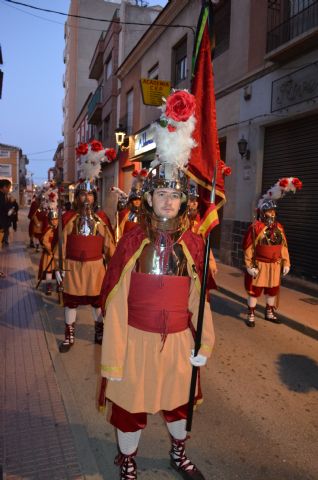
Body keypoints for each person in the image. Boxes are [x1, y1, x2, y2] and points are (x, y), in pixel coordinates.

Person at [100, 90, 215, 480]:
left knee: (179, 403)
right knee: (130, 405)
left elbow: (200, 299)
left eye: (175, 196)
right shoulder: (132, 241)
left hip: (180, 342)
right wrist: (113, 353)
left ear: (184, 202)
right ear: (149, 198)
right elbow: (114, 301)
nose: (168, 201)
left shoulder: (195, 242)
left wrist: (205, 342)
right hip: (134, 339)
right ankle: (128, 460)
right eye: (162, 194)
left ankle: (178, 453)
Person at [56, 174, 116, 352]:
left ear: (94, 197)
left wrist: (116, 266)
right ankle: (69, 336)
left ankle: (99, 333)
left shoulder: (101, 219)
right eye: (83, 194)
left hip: (95, 268)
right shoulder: (69, 218)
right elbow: (61, 245)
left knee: (97, 303)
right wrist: (59, 268)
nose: (86, 198)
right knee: (70, 302)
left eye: (90, 195)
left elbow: (109, 245)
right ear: (77, 197)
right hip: (73, 267)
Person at [242, 177, 302, 327]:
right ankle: (251, 313)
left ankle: (269, 312)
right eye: (269, 211)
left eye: (273, 210)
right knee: (254, 291)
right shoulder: (255, 228)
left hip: (275, 265)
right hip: (260, 265)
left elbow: (284, 247)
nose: (272, 214)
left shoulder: (279, 227)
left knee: (272, 290)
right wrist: (249, 266)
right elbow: (249, 247)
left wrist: (286, 263)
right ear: (263, 212)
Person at [38, 210, 58, 296]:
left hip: (57, 254)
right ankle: (48, 287)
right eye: (52, 219)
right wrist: (50, 250)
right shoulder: (48, 230)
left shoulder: (59, 229)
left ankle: (58, 286)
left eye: (56, 219)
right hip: (49, 254)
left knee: (58, 271)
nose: (54, 221)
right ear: (49, 220)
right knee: (49, 271)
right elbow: (44, 241)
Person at [0, 179, 12, 277]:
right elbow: (4, 211)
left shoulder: (3, 196)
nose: (9, 189)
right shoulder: (1, 197)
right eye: (8, 187)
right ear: (4, 187)